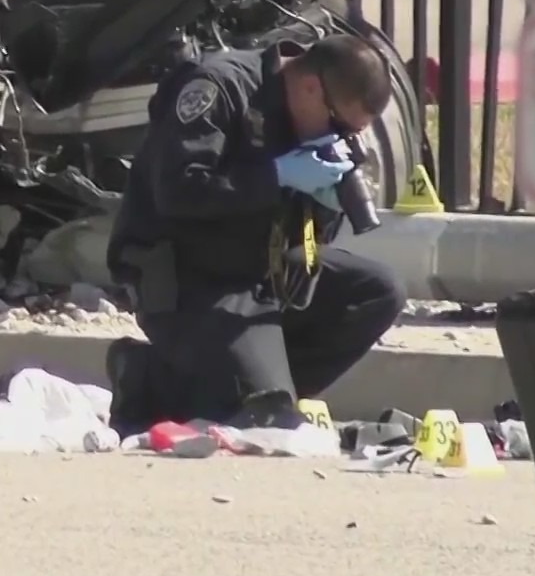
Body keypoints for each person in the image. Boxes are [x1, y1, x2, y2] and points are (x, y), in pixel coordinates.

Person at [104, 33, 409, 429]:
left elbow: (309, 234)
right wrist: (276, 175)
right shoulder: (219, 87)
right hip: (191, 277)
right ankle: (147, 377)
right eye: (338, 124)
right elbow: (179, 193)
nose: (338, 136)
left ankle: (252, 388)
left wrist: (327, 204)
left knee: (379, 292)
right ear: (310, 87)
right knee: (265, 420)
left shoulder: (309, 118)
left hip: (261, 271)